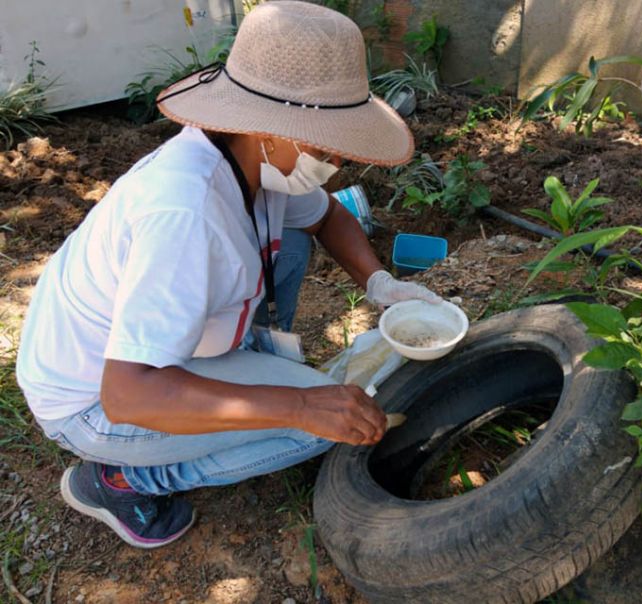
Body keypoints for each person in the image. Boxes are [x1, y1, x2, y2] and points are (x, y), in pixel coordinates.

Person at [15, 1, 440, 549]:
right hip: (96, 400)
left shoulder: (252, 160)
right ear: (270, 127)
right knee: (320, 424)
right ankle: (123, 478)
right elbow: (127, 395)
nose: (335, 158)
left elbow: (330, 216)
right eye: (323, 143)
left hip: (143, 356)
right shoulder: (186, 216)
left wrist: (380, 284)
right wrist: (300, 405)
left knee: (288, 250)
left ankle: (253, 373)